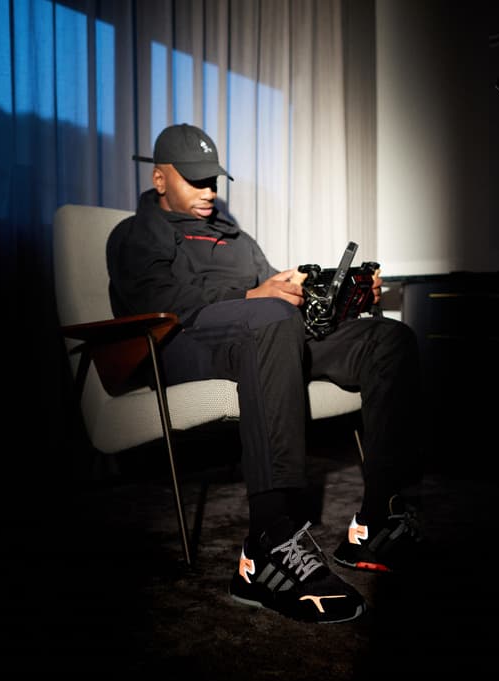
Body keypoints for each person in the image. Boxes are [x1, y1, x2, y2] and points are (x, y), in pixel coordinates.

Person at [107, 123, 424, 624]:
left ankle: (377, 521)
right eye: (195, 180)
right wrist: (253, 296)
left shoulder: (238, 239)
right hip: (180, 343)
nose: (209, 191)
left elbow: (275, 301)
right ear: (160, 179)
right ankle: (269, 544)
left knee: (388, 339)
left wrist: (334, 297)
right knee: (271, 318)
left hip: (260, 333)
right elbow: (155, 302)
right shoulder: (134, 234)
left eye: (213, 180)